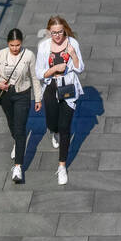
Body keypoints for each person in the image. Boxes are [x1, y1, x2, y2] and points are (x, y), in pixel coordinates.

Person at [34, 15, 85, 185]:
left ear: (65, 30)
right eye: (54, 33)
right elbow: (40, 73)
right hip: (51, 87)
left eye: (60, 32)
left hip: (69, 87)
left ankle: (62, 166)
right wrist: (55, 68)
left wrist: (73, 55)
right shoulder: (43, 47)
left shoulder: (72, 43)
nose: (58, 36)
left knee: (65, 127)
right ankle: (53, 131)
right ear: (49, 32)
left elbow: (80, 68)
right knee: (52, 122)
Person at [0, 28, 42, 183]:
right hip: (5, 95)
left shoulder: (29, 55)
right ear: (8, 43)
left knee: (20, 128)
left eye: (17, 45)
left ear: (22, 43)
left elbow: (34, 77)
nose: (15, 48)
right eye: (12, 45)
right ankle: (17, 142)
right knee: (11, 123)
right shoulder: (0, 54)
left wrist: (37, 99)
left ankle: (18, 167)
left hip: (23, 94)